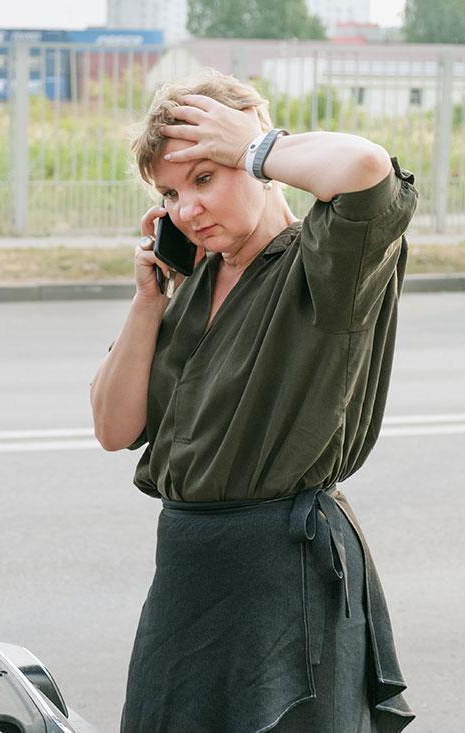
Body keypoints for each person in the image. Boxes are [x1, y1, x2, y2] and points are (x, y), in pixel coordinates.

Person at [90, 68, 418, 732]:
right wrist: (148, 301)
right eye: (171, 193)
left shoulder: (327, 264)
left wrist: (254, 143)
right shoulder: (193, 280)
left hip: (279, 581)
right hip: (187, 576)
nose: (187, 210)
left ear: (257, 159)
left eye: (205, 178)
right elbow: (113, 425)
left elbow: (364, 169)